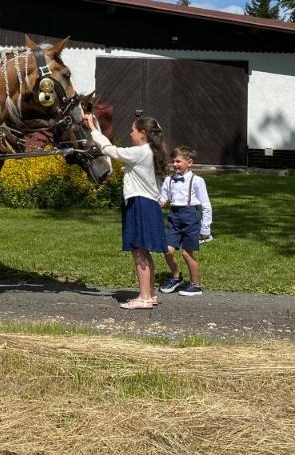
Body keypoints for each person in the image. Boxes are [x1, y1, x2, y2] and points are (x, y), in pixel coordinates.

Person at [82, 112, 169, 310]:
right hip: (149, 204)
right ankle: (150, 294)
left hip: (140, 204)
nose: (130, 134)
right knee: (144, 252)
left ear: (143, 133)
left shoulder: (140, 152)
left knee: (138, 251)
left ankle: (144, 297)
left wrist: (94, 130)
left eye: (133, 131)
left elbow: (111, 151)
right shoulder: (151, 151)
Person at [158, 146, 213, 297]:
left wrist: (205, 228)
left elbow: (206, 205)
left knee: (187, 254)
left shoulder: (197, 181)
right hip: (174, 216)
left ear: (189, 162)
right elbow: (164, 197)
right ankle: (176, 277)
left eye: (178, 161)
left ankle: (195, 285)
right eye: (173, 161)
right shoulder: (169, 180)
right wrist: (159, 203)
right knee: (167, 250)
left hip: (191, 217)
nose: (175, 164)